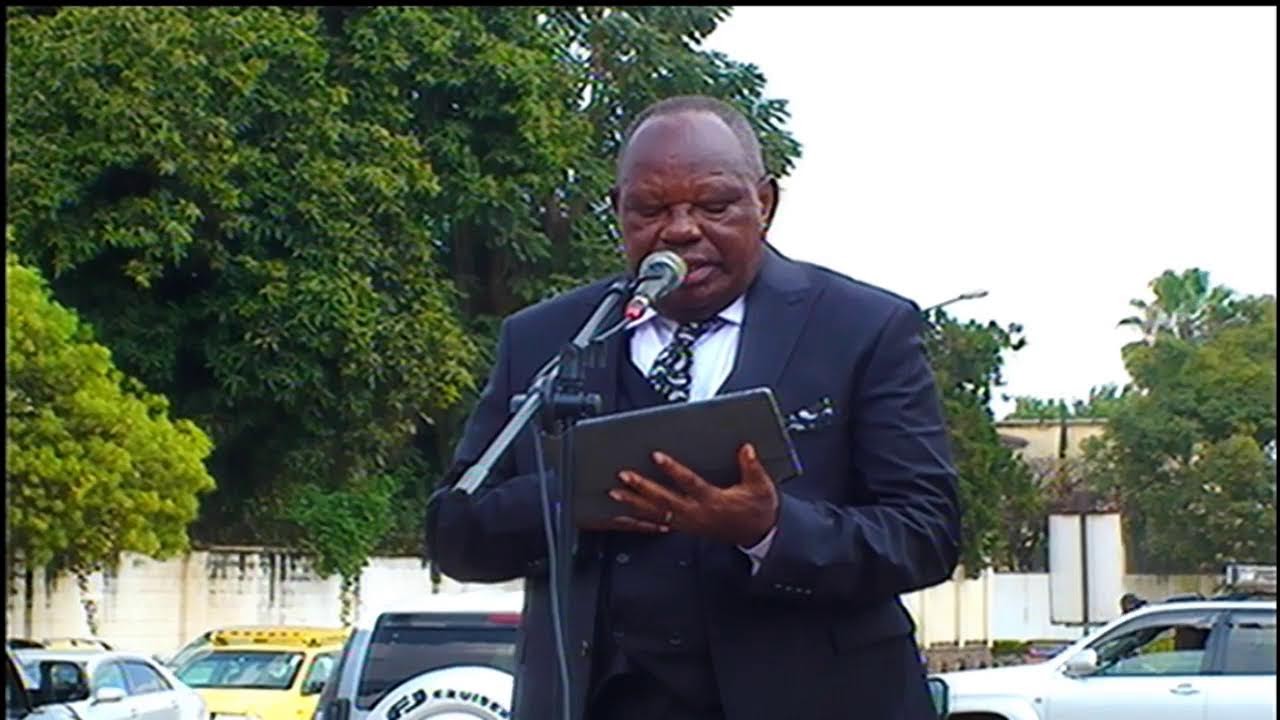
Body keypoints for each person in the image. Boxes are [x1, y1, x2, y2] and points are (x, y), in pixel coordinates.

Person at [426, 95, 961, 720]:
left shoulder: (863, 329)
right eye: (650, 208)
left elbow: (927, 532)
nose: (680, 230)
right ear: (618, 211)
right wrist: (567, 498)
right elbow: (454, 533)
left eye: (714, 205)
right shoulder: (548, 339)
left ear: (764, 202)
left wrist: (769, 530)